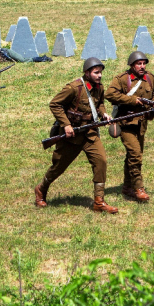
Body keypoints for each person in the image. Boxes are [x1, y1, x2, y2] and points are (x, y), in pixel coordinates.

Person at [34, 57, 118, 213]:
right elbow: (55, 104)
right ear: (87, 73)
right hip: (72, 136)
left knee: (101, 162)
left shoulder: (99, 87)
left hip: (90, 133)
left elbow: (99, 103)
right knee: (58, 166)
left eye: (100, 73)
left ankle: (99, 201)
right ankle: (41, 189)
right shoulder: (73, 87)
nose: (99, 76)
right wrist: (66, 125)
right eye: (96, 72)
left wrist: (104, 114)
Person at [104, 51, 154, 203]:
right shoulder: (122, 79)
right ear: (132, 65)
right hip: (126, 123)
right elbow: (109, 94)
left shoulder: (150, 78)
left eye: (144, 63)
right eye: (139, 64)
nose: (142, 66)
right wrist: (132, 101)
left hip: (142, 123)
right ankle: (139, 188)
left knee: (133, 155)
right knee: (136, 154)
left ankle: (127, 187)